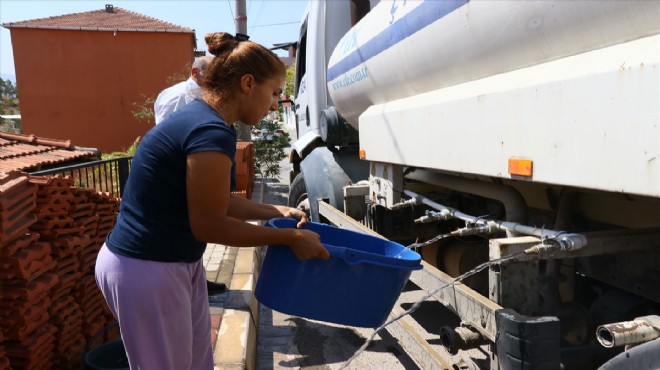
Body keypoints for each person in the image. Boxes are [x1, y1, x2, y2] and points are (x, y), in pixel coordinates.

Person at [95, 32, 330, 370]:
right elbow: (209, 224)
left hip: (173, 262)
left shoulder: (204, 119)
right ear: (248, 84)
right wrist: (289, 237)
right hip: (147, 267)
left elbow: (216, 202)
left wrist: (275, 210)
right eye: (275, 92)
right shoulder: (210, 131)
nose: (277, 103)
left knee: (196, 361)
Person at [153, 55, 228, 295]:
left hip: (191, 173)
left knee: (195, 232)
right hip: (177, 177)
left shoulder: (204, 97)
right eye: (213, 75)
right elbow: (169, 138)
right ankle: (187, 282)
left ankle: (197, 280)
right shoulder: (176, 97)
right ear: (196, 74)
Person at [153, 55, 214, 125]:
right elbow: (167, 131)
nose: (219, 77)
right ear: (195, 72)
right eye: (213, 73)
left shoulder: (207, 94)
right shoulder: (178, 96)